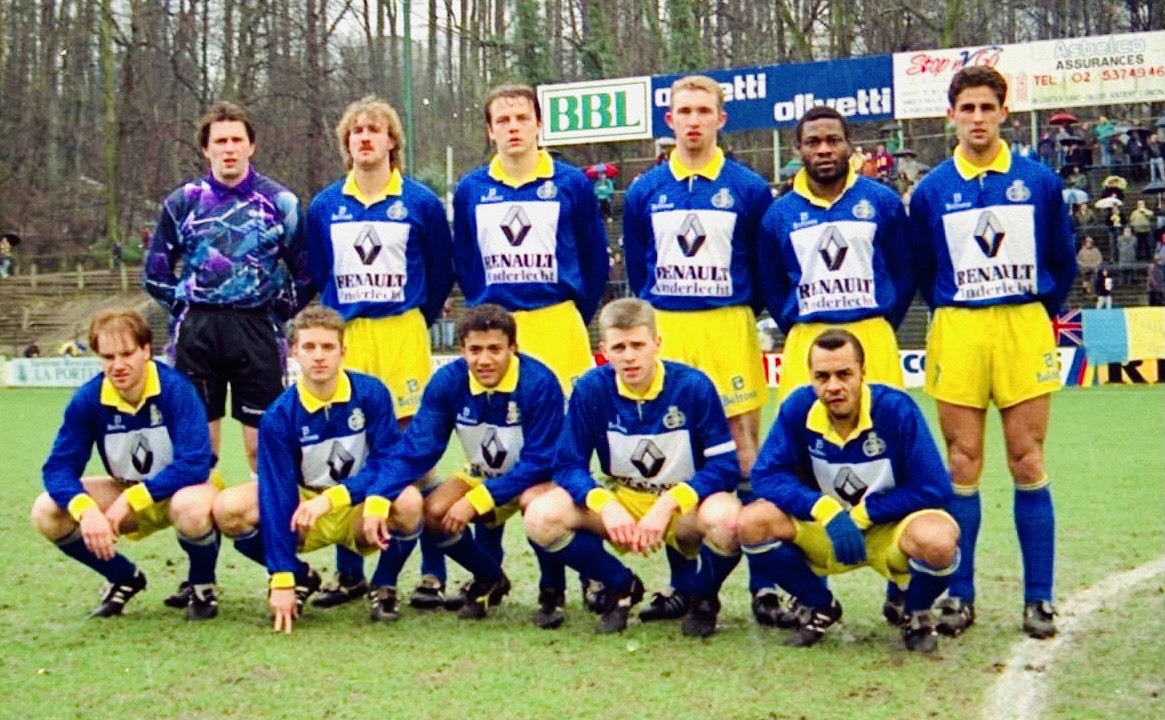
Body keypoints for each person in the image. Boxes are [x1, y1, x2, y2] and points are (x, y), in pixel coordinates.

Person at [908, 66, 1075, 639]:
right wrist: (961, 307)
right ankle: (961, 595)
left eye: (987, 108)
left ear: (1004, 112)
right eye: (967, 108)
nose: (977, 118)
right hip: (957, 326)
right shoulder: (930, 191)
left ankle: (1040, 598)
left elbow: (1062, 261)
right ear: (951, 115)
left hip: (1022, 324)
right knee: (962, 463)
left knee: (1026, 459)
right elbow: (925, 273)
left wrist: (1028, 309)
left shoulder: (1039, 182)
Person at [449, 82, 608, 609]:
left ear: (539, 124)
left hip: (558, 324)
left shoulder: (570, 183)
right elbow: (468, 264)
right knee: (499, 446)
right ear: (490, 130)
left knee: (567, 450)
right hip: (499, 328)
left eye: (522, 117)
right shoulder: (472, 188)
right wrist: (489, 314)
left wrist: (568, 312)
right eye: (503, 119)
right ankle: (497, 576)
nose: (513, 127)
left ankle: (582, 569)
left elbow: (591, 257)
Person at [621, 75, 771, 622]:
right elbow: (640, 269)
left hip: (728, 327)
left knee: (745, 453)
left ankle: (764, 587)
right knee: (673, 454)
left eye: (703, 110)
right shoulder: (645, 190)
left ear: (720, 119)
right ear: (670, 120)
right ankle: (687, 587)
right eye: (683, 110)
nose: (692, 120)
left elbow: (761, 265)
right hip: (671, 328)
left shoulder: (748, 188)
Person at [142, 102, 315, 557]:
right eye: (220, 140)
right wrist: (187, 309)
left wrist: (275, 311)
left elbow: (307, 271)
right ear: (206, 149)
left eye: (238, 139)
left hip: (257, 331)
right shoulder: (183, 203)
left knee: (263, 449)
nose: (230, 148)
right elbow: (156, 270)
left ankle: (277, 554)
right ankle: (202, 574)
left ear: (252, 145)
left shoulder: (280, 203)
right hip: (197, 335)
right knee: (200, 453)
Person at [303, 96, 454, 611]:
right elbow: (319, 273)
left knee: (413, 452)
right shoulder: (325, 205)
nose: (365, 139)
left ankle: (433, 573)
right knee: (349, 448)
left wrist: (414, 317)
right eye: (356, 133)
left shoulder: (420, 201)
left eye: (375, 130)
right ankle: (350, 575)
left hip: (402, 333)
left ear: (393, 141)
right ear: (346, 145)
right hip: (351, 336)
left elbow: (439, 273)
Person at [523, 298, 743, 637]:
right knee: (540, 515)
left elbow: (726, 466)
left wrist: (669, 502)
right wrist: (605, 504)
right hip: (623, 499)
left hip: (682, 506)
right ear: (604, 350)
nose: (629, 356)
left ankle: (703, 597)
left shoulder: (694, 386)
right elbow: (567, 465)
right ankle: (619, 584)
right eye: (619, 347)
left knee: (728, 521)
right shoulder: (590, 388)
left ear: (657, 343)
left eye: (638, 345)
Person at [738, 330, 959, 652]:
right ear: (811, 378)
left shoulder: (896, 409)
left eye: (844, 374)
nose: (833, 386)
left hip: (889, 531)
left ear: (863, 373)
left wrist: (867, 513)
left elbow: (935, 486)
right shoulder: (798, 408)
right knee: (751, 522)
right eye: (822, 377)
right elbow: (765, 475)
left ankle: (915, 611)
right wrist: (823, 509)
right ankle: (820, 605)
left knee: (938, 541)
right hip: (826, 529)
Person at [210, 307, 424, 633]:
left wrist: (335, 499)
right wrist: (281, 576)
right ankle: (301, 576)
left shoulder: (370, 393)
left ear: (343, 352)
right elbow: (278, 495)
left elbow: (389, 461)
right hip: (303, 511)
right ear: (294, 352)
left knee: (409, 501)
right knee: (229, 508)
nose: (319, 357)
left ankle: (384, 585)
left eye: (327, 347)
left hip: (358, 507)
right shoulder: (279, 416)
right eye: (309, 347)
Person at [362, 304, 567, 626]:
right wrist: (377, 497)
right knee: (434, 511)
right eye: (475, 350)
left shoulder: (539, 382)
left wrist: (477, 500)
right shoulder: (448, 382)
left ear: (513, 348)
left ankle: (553, 590)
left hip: (535, 477)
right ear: (462, 349)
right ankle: (489, 577)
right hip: (481, 473)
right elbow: (417, 447)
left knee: (536, 507)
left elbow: (543, 459)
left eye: (494, 349)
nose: (484, 359)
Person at [30, 308, 220, 619]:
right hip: (125, 488)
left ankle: (202, 584)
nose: (118, 365)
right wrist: (85, 509)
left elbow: (196, 462)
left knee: (191, 506)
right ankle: (123, 576)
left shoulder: (176, 389)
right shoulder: (89, 399)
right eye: (107, 357)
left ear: (146, 350)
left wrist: (133, 499)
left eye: (127, 353)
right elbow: (58, 467)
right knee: (46, 510)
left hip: (180, 491)